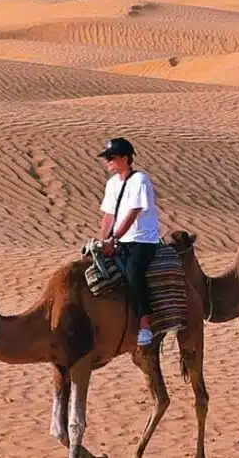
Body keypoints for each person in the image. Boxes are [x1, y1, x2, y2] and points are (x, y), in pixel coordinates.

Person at [97, 137, 163, 346]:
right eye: (106, 157)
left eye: (111, 157)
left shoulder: (140, 181)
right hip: (119, 240)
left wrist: (114, 238)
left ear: (125, 158)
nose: (107, 161)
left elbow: (133, 213)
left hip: (142, 240)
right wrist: (103, 242)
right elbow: (108, 216)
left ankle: (145, 324)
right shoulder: (111, 184)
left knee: (134, 271)